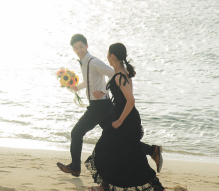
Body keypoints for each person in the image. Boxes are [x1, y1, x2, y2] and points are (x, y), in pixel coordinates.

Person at [57, 34, 162, 177]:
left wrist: (104, 91)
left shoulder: (93, 61)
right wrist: (78, 87)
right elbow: (90, 80)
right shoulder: (84, 62)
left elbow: (114, 74)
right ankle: (152, 150)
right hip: (103, 106)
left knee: (76, 133)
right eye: (75, 48)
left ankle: (75, 167)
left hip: (98, 107)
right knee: (118, 137)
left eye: (81, 46)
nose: (79, 50)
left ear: (87, 46)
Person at [84, 43, 166, 191]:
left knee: (125, 155)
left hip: (126, 121)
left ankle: (158, 188)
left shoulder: (120, 76)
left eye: (107, 54)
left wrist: (120, 120)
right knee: (112, 151)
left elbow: (130, 100)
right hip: (125, 119)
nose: (107, 56)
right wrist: (104, 93)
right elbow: (121, 94)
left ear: (112, 56)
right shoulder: (122, 74)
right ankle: (105, 185)